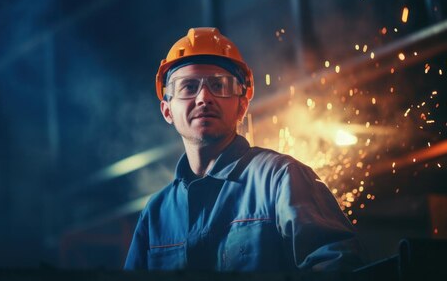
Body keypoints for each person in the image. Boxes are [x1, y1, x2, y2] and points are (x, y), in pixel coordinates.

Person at [124, 27, 364, 271]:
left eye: (219, 85)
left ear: (242, 105)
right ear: (167, 111)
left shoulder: (280, 178)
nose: (204, 98)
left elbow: (335, 266)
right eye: (188, 87)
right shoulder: (156, 214)